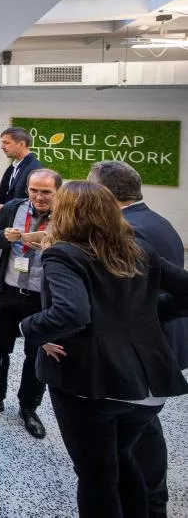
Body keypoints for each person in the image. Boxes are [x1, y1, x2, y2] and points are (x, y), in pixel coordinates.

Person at [21, 181, 188, 518]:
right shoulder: (137, 246)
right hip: (145, 388)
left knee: (97, 477)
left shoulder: (63, 252)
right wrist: (146, 319)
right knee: (123, 462)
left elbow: (72, 313)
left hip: (92, 384)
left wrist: (29, 328)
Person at [89, 160, 186, 518]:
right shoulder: (156, 220)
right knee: (143, 423)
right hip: (157, 344)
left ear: (103, 194)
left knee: (140, 428)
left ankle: (150, 498)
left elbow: (141, 298)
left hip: (144, 348)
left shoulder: (129, 232)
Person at [0, 168, 62, 439]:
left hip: (42, 298)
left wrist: (51, 247)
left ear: (58, 192)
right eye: (34, 190)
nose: (39, 197)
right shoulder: (13, 208)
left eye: (46, 192)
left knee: (37, 354)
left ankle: (28, 408)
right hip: (7, 291)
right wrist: (4, 237)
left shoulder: (68, 215)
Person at [0, 126, 43, 211]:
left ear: (21, 144)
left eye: (7, 143)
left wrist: (4, 208)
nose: (2, 147)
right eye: (2, 143)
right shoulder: (14, 166)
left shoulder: (35, 168)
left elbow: (34, 202)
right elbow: (16, 195)